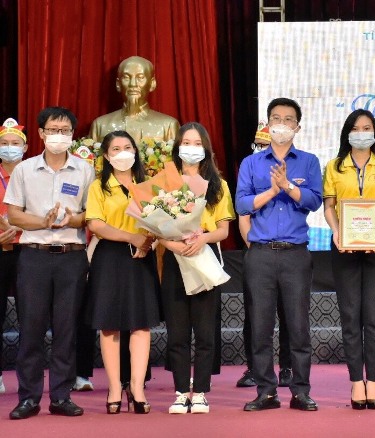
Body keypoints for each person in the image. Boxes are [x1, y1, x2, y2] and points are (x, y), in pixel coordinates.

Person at [4, 107, 95, 419]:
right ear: (41, 133)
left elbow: (92, 215)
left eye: (65, 130)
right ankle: (28, 398)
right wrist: (42, 221)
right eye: (53, 130)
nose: (59, 136)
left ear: (72, 134)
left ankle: (61, 396)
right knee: (31, 328)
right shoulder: (24, 170)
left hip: (72, 256)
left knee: (67, 329)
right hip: (34, 256)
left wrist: (74, 219)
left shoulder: (84, 170)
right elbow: (14, 215)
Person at [237, 98, 322, 412]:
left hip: (295, 255)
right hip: (260, 254)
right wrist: (272, 191)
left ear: (297, 127)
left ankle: (300, 391)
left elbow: (314, 201)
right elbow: (242, 204)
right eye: (276, 118)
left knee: (298, 328)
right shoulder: (251, 163)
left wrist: (287, 185)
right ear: (268, 124)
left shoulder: (309, 161)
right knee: (260, 327)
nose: (282, 124)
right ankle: (266, 392)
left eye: (288, 119)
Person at [322, 109, 375, 410]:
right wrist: (337, 231)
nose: (362, 133)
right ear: (347, 133)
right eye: (356, 128)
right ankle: (356, 380)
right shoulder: (334, 167)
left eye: (367, 128)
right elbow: (329, 207)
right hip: (344, 248)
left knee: (374, 315)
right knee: (350, 314)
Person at [158, 122, 234, 414]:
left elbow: (223, 230)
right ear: (178, 147)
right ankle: (180, 392)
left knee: (204, 333)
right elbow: (155, 227)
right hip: (175, 258)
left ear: (206, 149)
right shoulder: (165, 181)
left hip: (204, 257)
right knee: (177, 333)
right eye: (186, 143)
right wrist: (172, 244)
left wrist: (202, 238)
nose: (191, 149)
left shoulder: (218, 185)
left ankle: (200, 391)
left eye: (197, 143)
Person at [84, 131, 160, 414]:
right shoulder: (99, 187)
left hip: (142, 257)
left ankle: (137, 388)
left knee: (141, 324)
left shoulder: (148, 185)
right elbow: (96, 224)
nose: (123, 153)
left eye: (127, 147)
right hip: (110, 256)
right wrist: (132, 238)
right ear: (106, 155)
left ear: (136, 152)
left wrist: (148, 242)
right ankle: (115, 387)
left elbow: (161, 221)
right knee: (110, 325)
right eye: (115, 149)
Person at [236, 128, 293, 389]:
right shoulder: (250, 168)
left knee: (288, 313)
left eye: (264, 144)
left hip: (287, 252)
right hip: (258, 252)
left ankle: (288, 367)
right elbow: (243, 216)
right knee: (256, 315)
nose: (260, 149)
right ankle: (254, 369)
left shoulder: (289, 168)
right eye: (257, 144)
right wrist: (255, 248)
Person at [89, 56, 180, 142]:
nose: (133, 84)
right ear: (118, 84)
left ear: (152, 83)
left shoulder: (168, 125)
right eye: (126, 77)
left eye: (140, 77)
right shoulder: (100, 125)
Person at [0, 118, 27, 395]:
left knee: (29, 316)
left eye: (15, 143)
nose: (9, 148)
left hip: (27, 251)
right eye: (4, 143)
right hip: (1, 250)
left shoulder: (32, 174)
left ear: (25, 147)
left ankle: (28, 376)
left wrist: (20, 226)